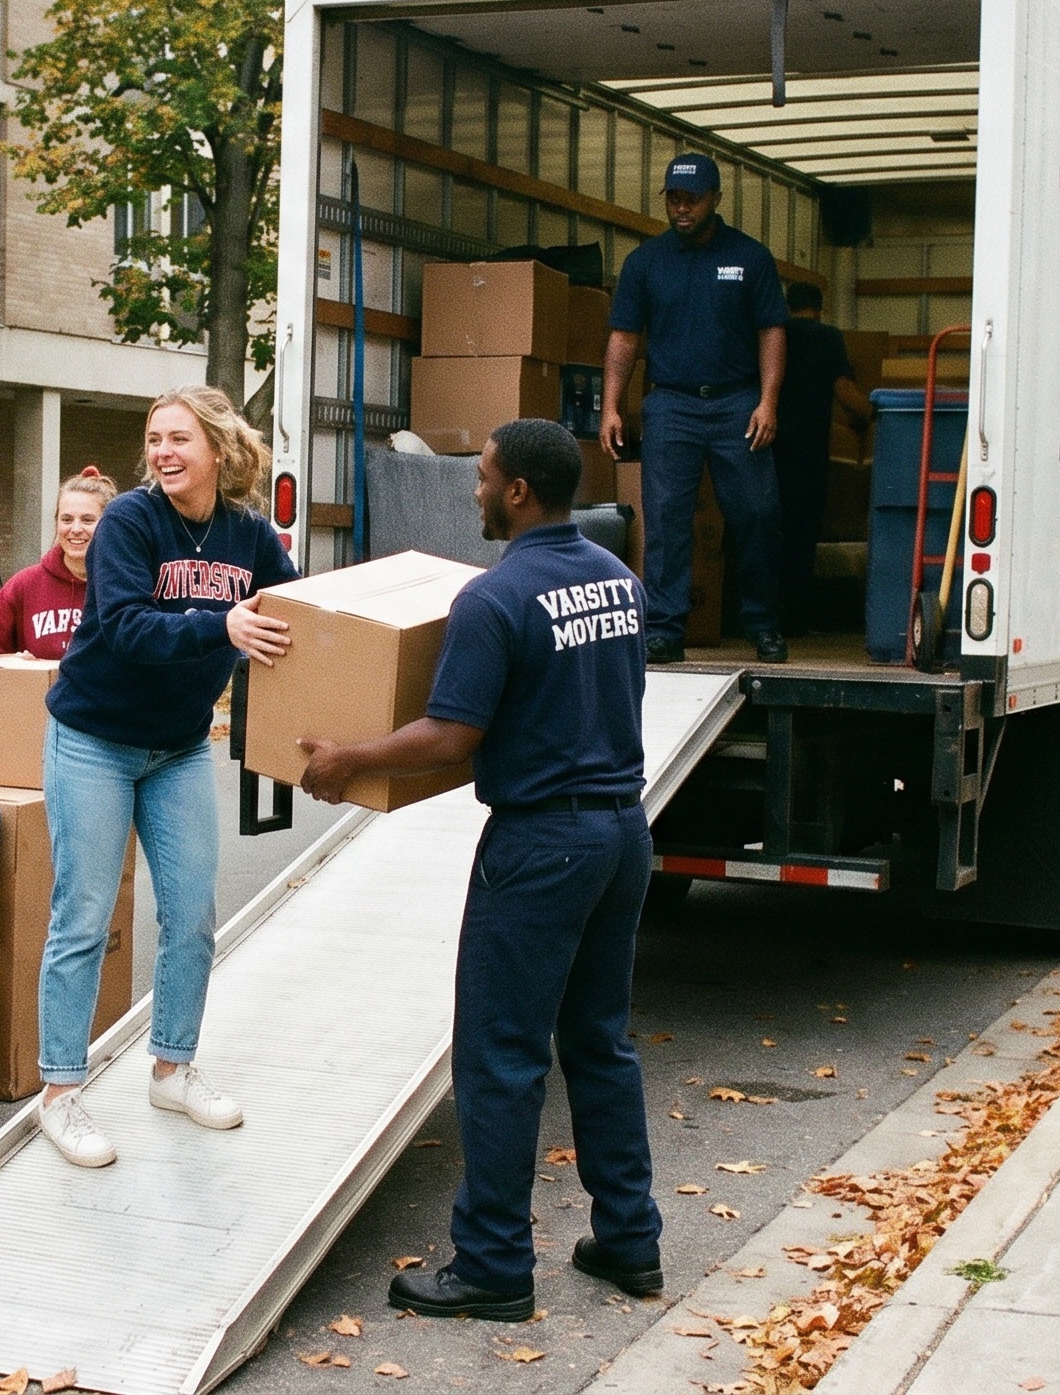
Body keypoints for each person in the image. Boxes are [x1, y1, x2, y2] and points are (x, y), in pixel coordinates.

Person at [297, 418, 660, 1322]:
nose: (474, 491)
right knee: (600, 1043)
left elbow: (452, 733)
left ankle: (494, 1264)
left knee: (500, 1058)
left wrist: (350, 758)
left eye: (483, 478)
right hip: (621, 832)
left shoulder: (494, 601)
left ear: (518, 493)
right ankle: (629, 1241)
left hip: (540, 847)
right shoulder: (619, 582)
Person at [31, 385, 295, 1168]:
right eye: (154, 439)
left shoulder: (248, 534)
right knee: (83, 917)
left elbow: (297, 601)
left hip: (178, 746)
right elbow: (123, 625)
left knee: (193, 915)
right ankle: (60, 1095)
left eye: (180, 439)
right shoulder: (129, 521)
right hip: (93, 738)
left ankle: (172, 1069)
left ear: (219, 449)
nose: (162, 453)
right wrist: (224, 624)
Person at [599, 151, 791, 665]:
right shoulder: (645, 263)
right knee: (665, 519)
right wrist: (610, 406)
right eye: (674, 199)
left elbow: (771, 332)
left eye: (693, 199)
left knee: (756, 511)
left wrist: (768, 401)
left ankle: (764, 623)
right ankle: (663, 628)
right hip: (671, 405)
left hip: (737, 403)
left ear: (715, 200)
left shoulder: (750, 258)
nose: (682, 209)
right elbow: (623, 339)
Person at [773, 282, 872, 633]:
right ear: (820, 307)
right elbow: (845, 391)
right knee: (802, 532)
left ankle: (764, 614)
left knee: (771, 529)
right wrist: (868, 418)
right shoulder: (827, 337)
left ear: (788, 305)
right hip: (809, 449)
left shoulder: (775, 333)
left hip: (768, 445)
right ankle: (795, 617)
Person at [0, 468, 115, 659]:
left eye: (88, 520)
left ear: (110, 524)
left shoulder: (127, 584)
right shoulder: (24, 585)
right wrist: (17, 666)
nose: (76, 529)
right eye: (66, 519)